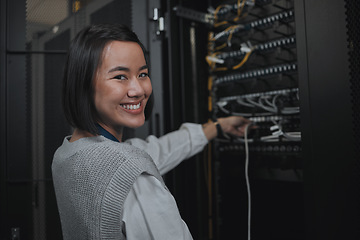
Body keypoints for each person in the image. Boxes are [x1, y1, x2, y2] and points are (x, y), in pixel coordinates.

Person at [52, 23, 252, 240]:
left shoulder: (66, 154)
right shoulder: (133, 177)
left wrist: (218, 127)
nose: (139, 90)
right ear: (84, 85)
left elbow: (153, 153)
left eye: (143, 74)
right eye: (120, 76)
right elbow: (131, 168)